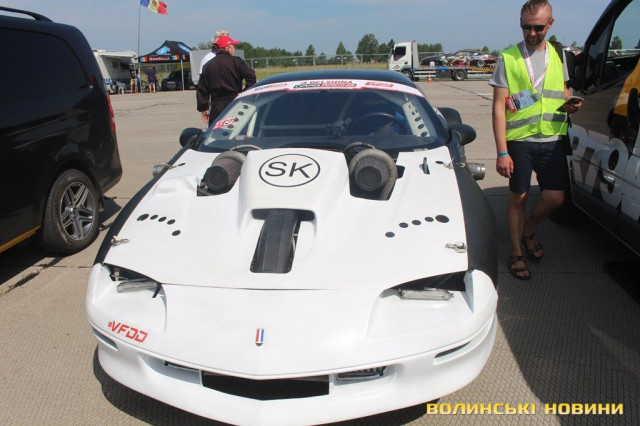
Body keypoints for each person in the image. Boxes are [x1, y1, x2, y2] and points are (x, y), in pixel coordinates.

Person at [490, 0, 582, 280]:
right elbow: (499, 106)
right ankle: (517, 251)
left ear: (550, 24)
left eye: (538, 28)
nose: (531, 33)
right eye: (526, 27)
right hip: (520, 140)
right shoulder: (508, 58)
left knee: (555, 198)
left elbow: (561, 90)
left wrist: (571, 102)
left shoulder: (558, 54)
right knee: (518, 197)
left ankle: (528, 230)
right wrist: (502, 152)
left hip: (552, 138)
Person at [196, 35, 257, 126]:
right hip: (234, 104)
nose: (234, 49)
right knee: (236, 130)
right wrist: (244, 92)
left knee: (216, 131)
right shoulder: (237, 62)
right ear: (228, 48)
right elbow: (251, 76)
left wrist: (204, 108)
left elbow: (201, 90)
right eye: (233, 46)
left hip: (216, 107)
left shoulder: (208, 66)